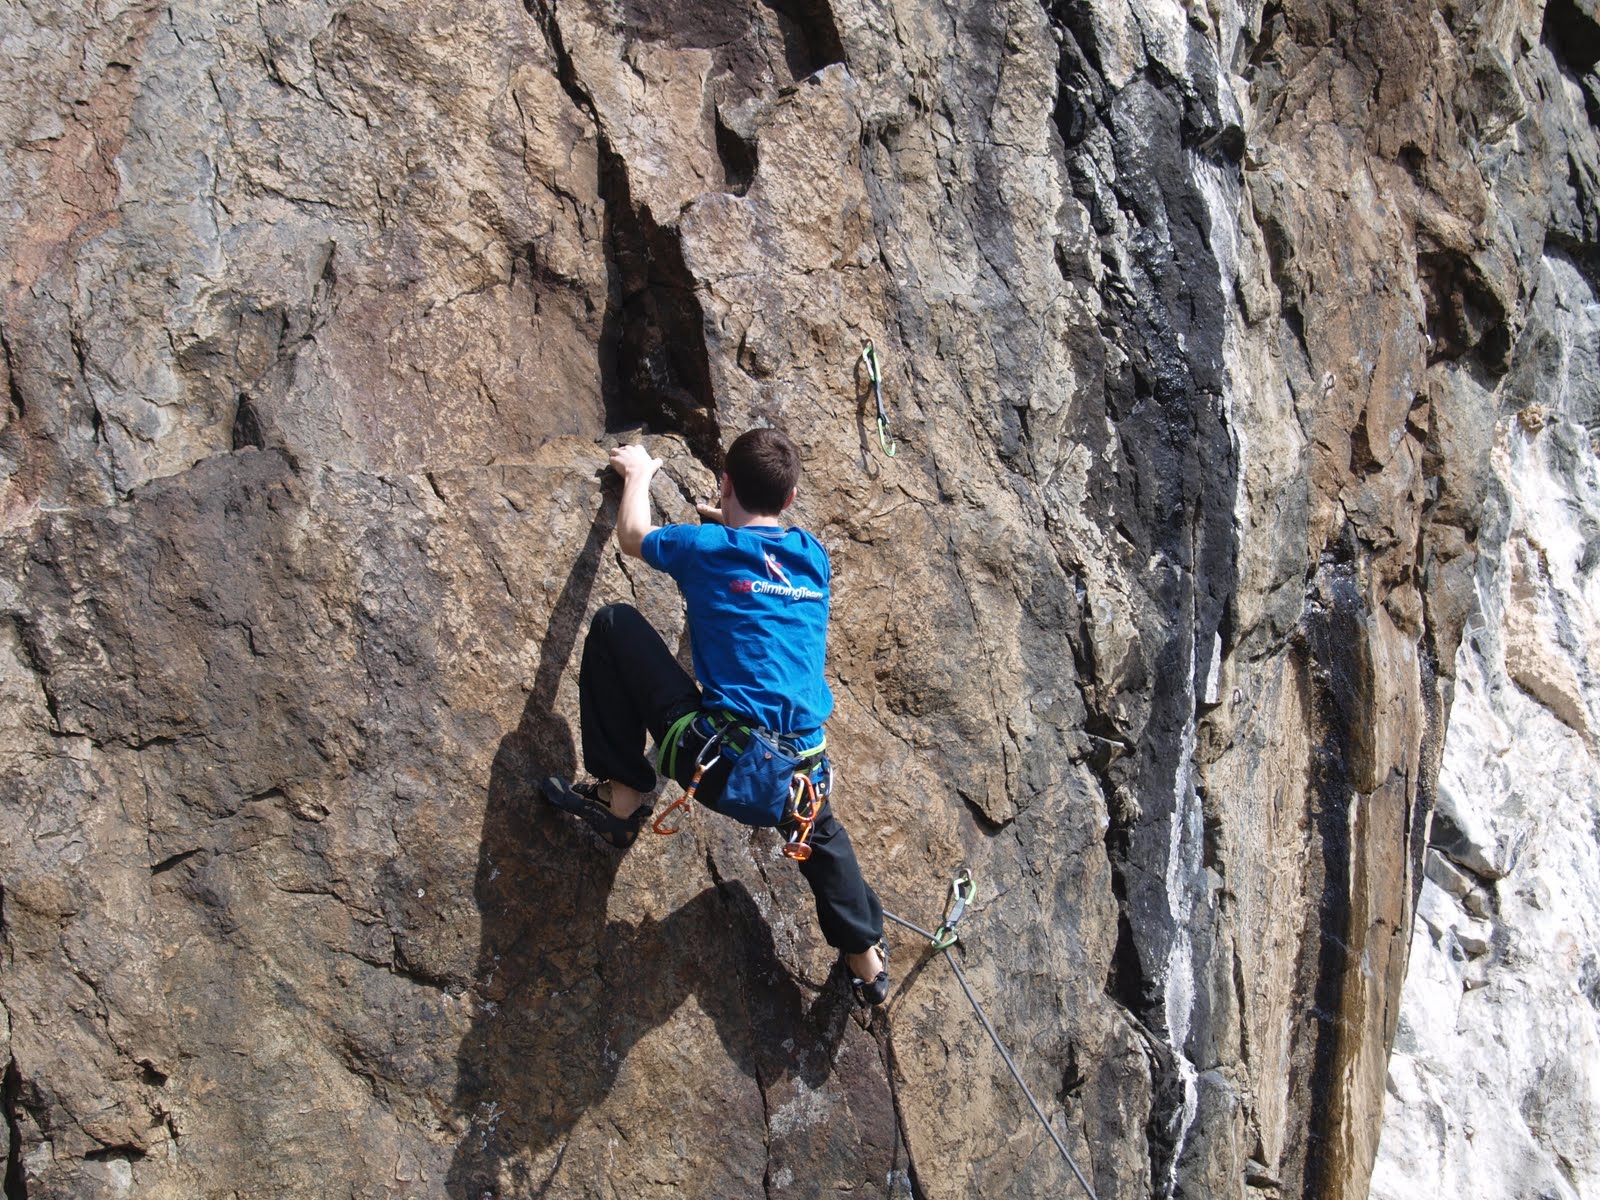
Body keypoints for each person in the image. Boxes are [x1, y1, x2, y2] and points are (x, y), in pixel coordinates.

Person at [541, 428, 889, 1004]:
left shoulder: (702, 549)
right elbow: (758, 562)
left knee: (613, 624)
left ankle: (622, 798)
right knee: (821, 833)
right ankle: (867, 963)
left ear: (726, 484)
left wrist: (640, 475)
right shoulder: (812, 557)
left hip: (718, 765)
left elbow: (633, 535)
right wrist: (731, 519)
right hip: (800, 774)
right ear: (791, 500)